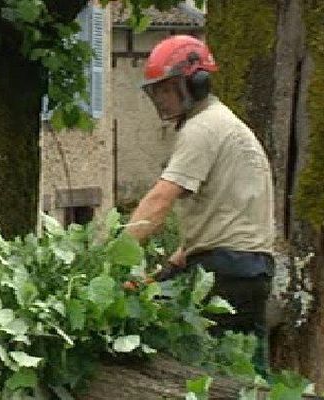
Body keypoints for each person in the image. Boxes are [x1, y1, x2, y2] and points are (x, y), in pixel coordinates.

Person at [125, 35, 275, 375]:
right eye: (156, 91)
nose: (160, 99)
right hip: (249, 268)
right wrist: (160, 274)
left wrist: (114, 255)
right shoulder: (226, 124)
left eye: (166, 89)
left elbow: (160, 199)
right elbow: (219, 220)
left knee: (153, 337)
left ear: (195, 81)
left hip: (225, 269)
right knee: (248, 373)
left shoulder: (202, 128)